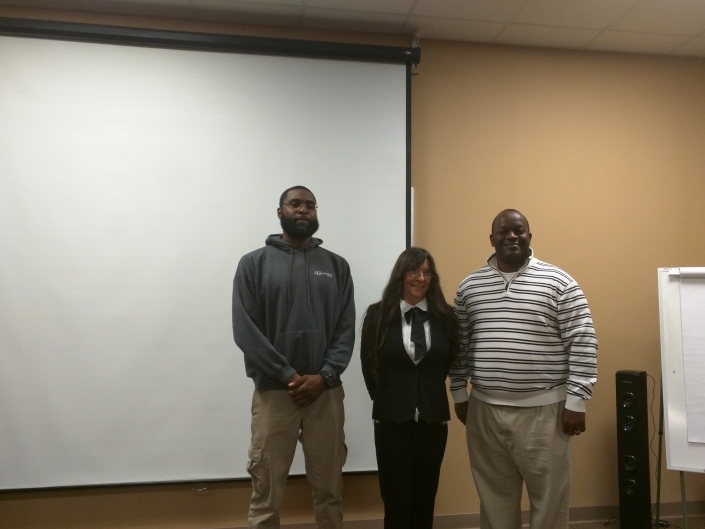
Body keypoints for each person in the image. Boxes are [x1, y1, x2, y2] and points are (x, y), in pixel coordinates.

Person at [451, 209, 598, 529]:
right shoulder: (469, 287)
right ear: (492, 239)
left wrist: (577, 401)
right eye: (503, 231)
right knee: (493, 498)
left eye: (519, 230)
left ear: (530, 236)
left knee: (549, 500)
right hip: (485, 411)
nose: (511, 236)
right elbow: (459, 344)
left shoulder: (559, 282)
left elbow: (583, 341)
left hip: (546, 411)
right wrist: (459, 391)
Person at [232, 185, 355, 529]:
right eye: (295, 204)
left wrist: (325, 376)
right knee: (266, 491)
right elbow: (245, 330)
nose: (303, 210)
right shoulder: (253, 264)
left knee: (330, 489)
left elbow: (346, 330)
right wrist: (287, 374)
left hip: (325, 394)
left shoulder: (336, 266)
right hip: (274, 394)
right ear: (280, 211)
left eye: (310, 206)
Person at [361, 247, 458, 529]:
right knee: (395, 498)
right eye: (414, 271)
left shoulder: (445, 316)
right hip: (392, 420)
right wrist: (389, 400)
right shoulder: (378, 315)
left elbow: (447, 364)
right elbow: (369, 366)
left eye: (427, 272)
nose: (421, 278)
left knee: (425, 496)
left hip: (433, 420)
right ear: (401, 275)